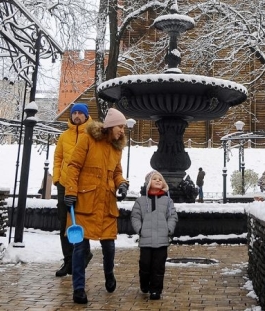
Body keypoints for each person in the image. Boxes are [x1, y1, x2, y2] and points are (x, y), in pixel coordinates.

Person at [62, 108, 131, 305]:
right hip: (85, 202)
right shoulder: (88, 139)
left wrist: (122, 184)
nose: (122, 131)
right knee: (80, 248)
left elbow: (117, 172)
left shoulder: (116, 148)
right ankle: (79, 289)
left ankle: (109, 274)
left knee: (109, 246)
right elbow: (74, 166)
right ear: (110, 126)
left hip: (107, 204)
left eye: (124, 127)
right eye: (120, 126)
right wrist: (70, 192)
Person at [52, 103, 90, 278]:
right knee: (64, 223)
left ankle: (83, 254)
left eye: (80, 113)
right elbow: (58, 158)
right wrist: (57, 179)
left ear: (86, 116)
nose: (77, 116)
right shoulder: (64, 136)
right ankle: (68, 260)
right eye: (74, 113)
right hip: (64, 184)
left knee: (81, 221)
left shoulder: (91, 135)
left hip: (83, 185)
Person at [131, 170, 178, 301]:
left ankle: (156, 290)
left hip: (162, 240)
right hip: (146, 240)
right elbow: (135, 216)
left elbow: (172, 216)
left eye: (160, 179)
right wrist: (140, 229)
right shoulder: (141, 201)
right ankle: (144, 284)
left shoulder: (168, 201)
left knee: (158, 266)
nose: (158, 180)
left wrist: (169, 229)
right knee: (145, 265)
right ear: (148, 183)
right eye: (154, 179)